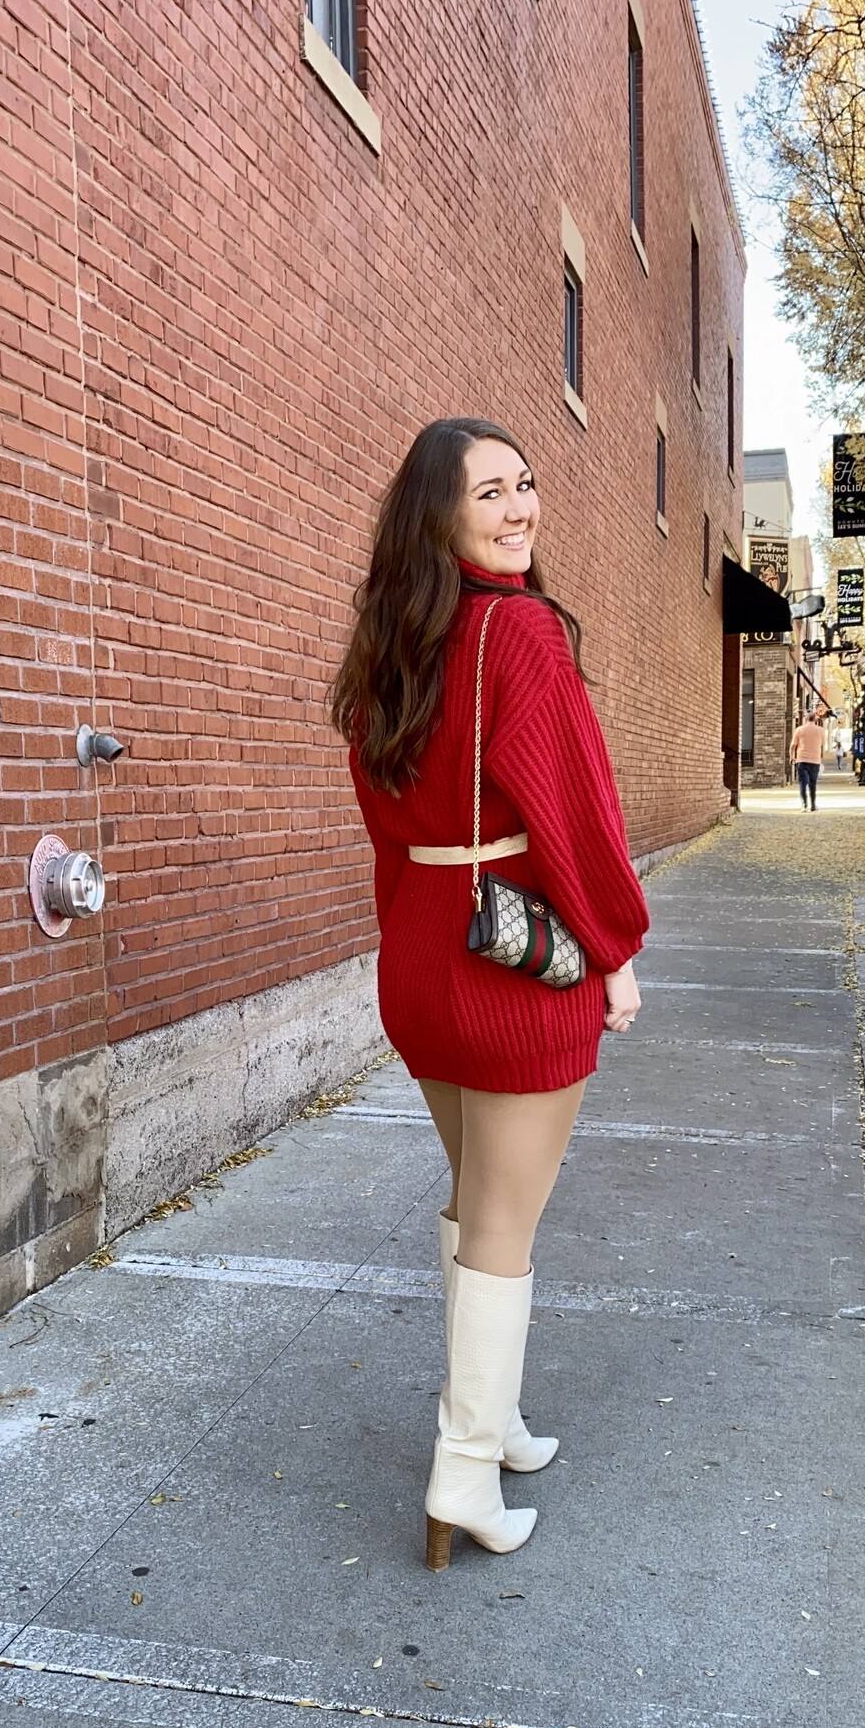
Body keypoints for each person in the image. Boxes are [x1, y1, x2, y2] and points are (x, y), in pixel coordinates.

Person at [331, 418, 649, 1568]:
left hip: (420, 955)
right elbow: (571, 814)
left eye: (524, 485)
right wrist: (613, 948)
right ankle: (461, 1472)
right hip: (511, 963)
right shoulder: (518, 633)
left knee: (475, 1200)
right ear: (441, 518)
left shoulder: (390, 644)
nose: (518, 509)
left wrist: (406, 948)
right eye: (489, 495)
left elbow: (382, 827)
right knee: (505, 1224)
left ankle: (496, 1419)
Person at [790, 711, 825, 810]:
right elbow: (822, 745)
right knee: (813, 783)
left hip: (801, 759)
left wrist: (792, 756)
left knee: (803, 783)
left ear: (806, 719)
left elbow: (793, 745)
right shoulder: (821, 730)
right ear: (815, 719)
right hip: (815, 760)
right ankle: (813, 805)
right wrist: (820, 755)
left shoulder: (799, 730)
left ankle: (804, 805)